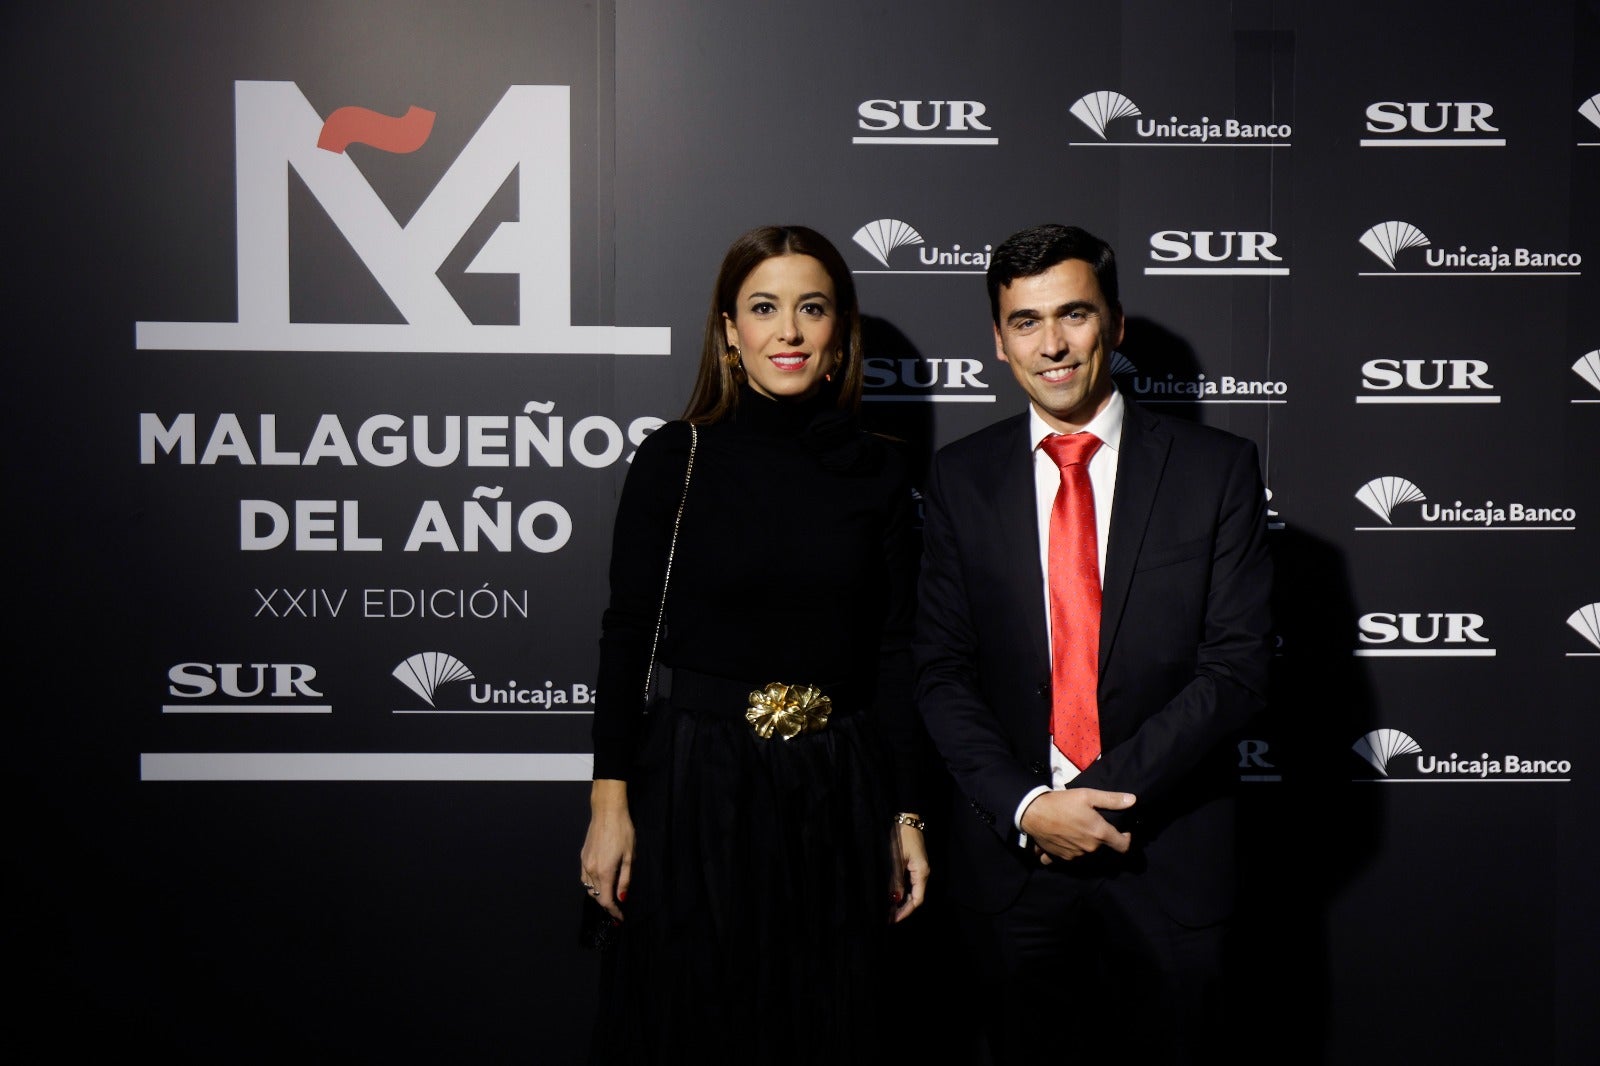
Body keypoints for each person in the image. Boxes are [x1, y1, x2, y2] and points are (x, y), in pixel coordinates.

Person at [914, 224, 1273, 1063]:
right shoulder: (960, 478)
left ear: (1115, 323)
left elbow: (1237, 669)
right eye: (1027, 322)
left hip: (1168, 860)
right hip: (1014, 868)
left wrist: (1087, 804)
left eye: (1073, 315)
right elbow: (939, 671)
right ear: (999, 342)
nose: (1053, 344)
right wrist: (1031, 809)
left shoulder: (1215, 469)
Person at [580, 225, 930, 1065]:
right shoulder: (678, 457)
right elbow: (627, 636)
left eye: (812, 309)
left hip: (837, 783)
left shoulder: (881, 472)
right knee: (697, 1025)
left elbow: (897, 651)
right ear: (729, 331)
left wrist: (906, 811)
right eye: (764, 309)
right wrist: (608, 804)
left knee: (828, 1028)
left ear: (839, 330)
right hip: (697, 784)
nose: (790, 332)